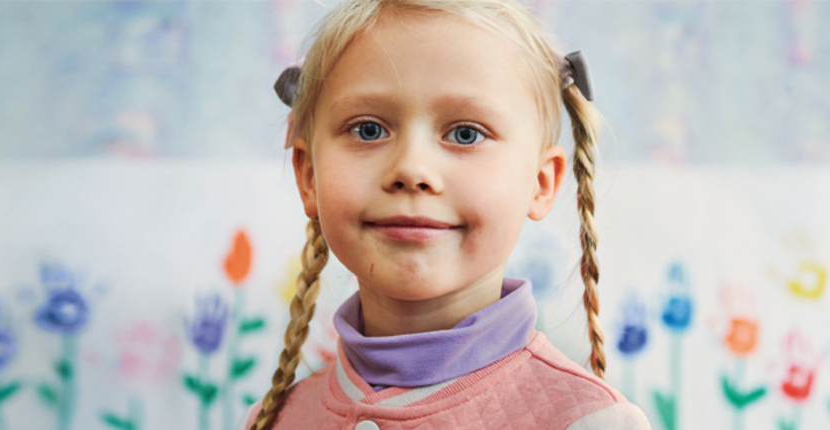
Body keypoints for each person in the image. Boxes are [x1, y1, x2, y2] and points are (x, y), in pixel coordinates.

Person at [241, 0, 651, 429]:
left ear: (541, 183)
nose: (412, 169)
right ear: (308, 175)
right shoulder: (271, 421)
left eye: (465, 133)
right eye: (369, 129)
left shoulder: (591, 422)